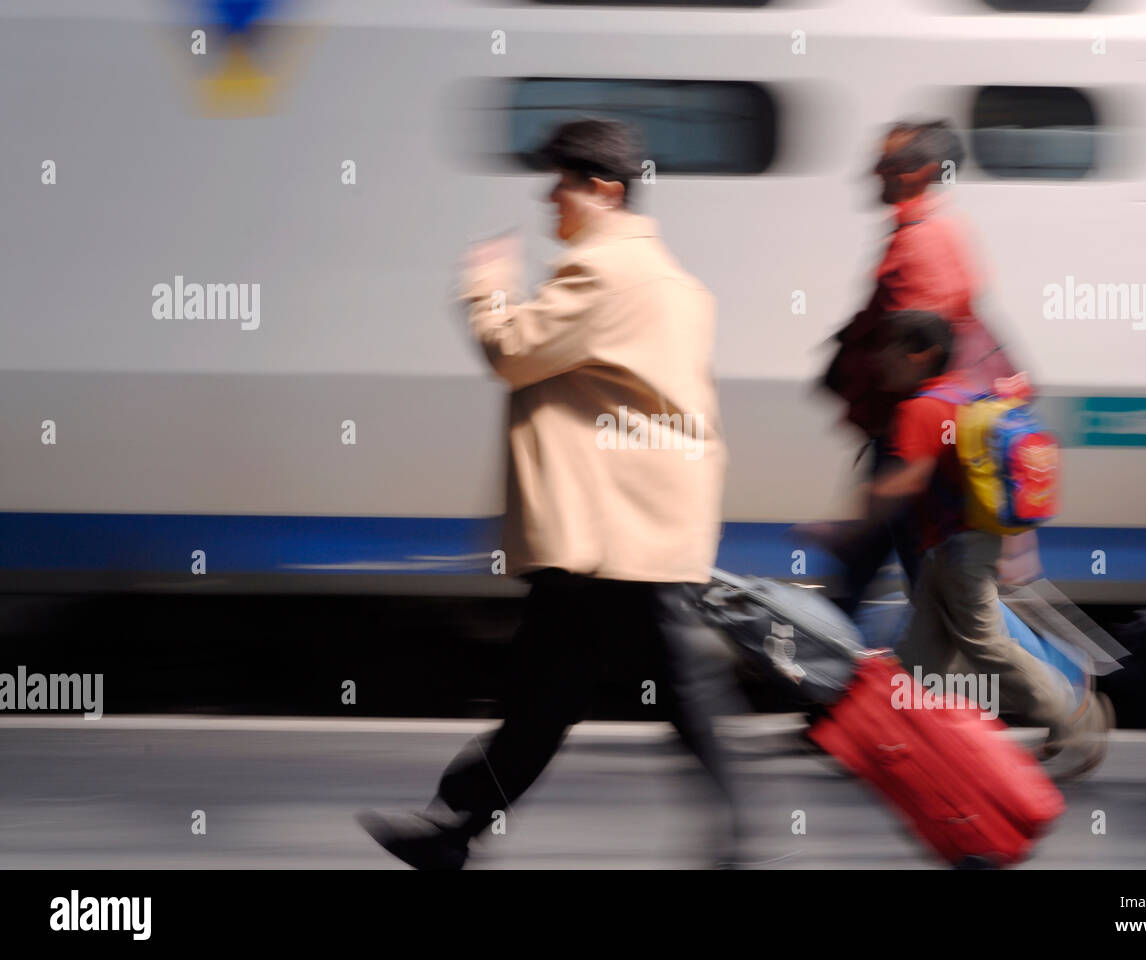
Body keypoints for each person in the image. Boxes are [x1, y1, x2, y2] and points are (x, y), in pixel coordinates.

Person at [357, 118, 745, 869]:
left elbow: (512, 352)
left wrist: (487, 287)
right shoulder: (673, 279)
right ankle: (452, 827)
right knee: (552, 695)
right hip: (631, 525)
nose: (549, 198)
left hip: (614, 530)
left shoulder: (603, 273)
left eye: (563, 181)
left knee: (663, 691)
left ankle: (747, 840)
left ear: (605, 189)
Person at [864, 310, 1110, 777]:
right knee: (921, 656)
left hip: (958, 551)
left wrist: (852, 520)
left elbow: (911, 478)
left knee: (985, 643)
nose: (882, 360)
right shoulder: (964, 393)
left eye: (891, 349)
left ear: (922, 355)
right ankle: (900, 742)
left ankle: (1074, 711)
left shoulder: (919, 407)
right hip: (955, 548)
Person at [812, 119, 1031, 609]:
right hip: (908, 435)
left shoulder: (921, 243)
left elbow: (924, 351)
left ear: (923, 171)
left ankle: (983, 682)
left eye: (887, 163)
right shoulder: (932, 231)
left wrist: (871, 381)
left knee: (932, 593)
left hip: (915, 437)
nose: (874, 172)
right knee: (879, 577)